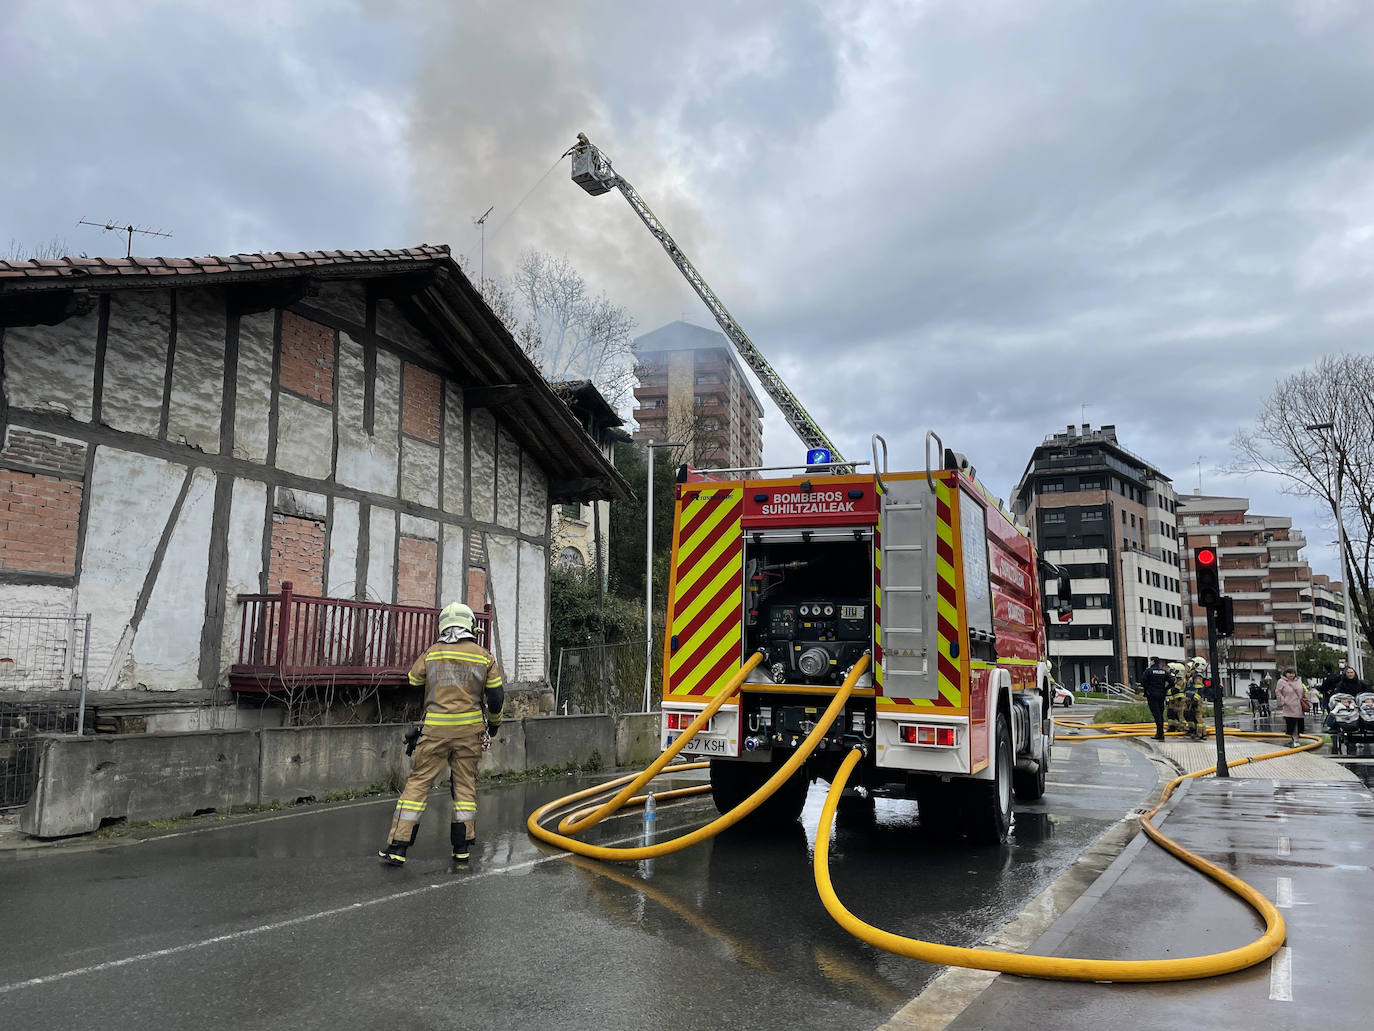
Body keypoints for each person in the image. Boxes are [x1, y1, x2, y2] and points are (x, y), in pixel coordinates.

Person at [379, 602, 504, 867]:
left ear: (443, 625)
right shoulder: (484, 656)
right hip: (470, 733)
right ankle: (462, 849)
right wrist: (493, 726)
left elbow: (413, 680)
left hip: (434, 731)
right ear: (470, 625)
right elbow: (496, 695)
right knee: (464, 787)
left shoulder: (432, 653)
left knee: (418, 783)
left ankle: (397, 847)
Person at [1140, 656, 1172, 741]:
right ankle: (1160, 733)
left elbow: (1143, 682)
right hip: (1161, 695)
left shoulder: (1149, 671)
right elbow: (1172, 682)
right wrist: (1165, 689)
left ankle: (1160, 734)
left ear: (1153, 662)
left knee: (1156, 715)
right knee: (1160, 714)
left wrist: (1148, 689)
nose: (1150, 662)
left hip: (1152, 695)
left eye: (1151, 661)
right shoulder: (1164, 671)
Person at [1275, 667, 1306, 747]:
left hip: (1298, 705)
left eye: (1293, 673)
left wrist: (1304, 698)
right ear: (1285, 674)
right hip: (1288, 705)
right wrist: (1283, 701)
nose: (1291, 675)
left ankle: (1297, 737)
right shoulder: (1281, 681)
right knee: (1292, 722)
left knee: (1299, 723)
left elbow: (1302, 690)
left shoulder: (1298, 680)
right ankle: (1295, 739)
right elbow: (1278, 691)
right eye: (1289, 673)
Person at [1165, 662, 1187, 733]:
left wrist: (1166, 692)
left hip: (1179, 700)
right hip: (1174, 700)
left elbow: (1176, 690)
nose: (1173, 671)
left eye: (1174, 670)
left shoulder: (1181, 680)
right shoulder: (1176, 679)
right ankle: (1172, 727)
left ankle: (1183, 728)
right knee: (1171, 713)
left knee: (1180, 714)